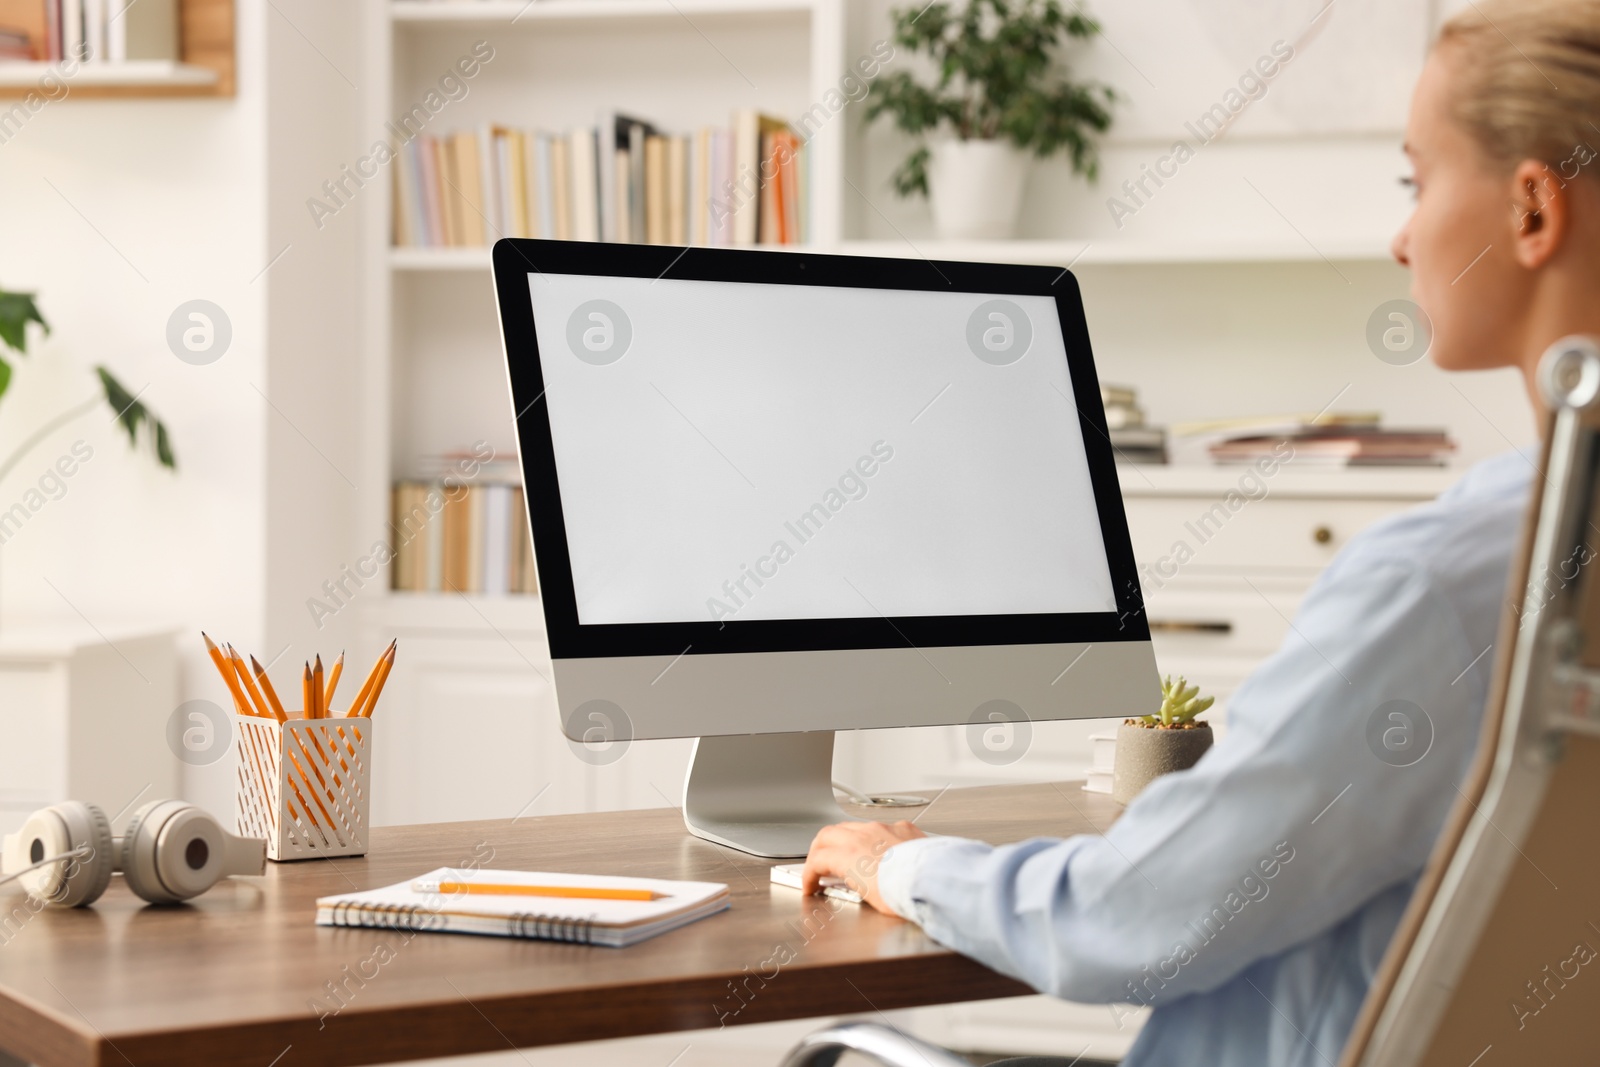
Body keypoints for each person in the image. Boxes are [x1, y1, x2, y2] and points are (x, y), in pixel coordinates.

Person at [801, 2, 1600, 1063]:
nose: (1402, 234)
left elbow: (1129, 922)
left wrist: (902, 864)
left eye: (1417, 180)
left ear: (1533, 208)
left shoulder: (1443, 585)